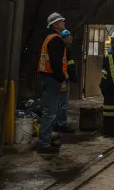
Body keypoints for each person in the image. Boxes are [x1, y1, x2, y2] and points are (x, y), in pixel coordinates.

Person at [37, 12, 69, 154]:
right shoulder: (56, 40)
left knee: (50, 111)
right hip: (52, 78)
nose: (63, 23)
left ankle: (46, 140)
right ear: (55, 25)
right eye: (61, 21)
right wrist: (62, 79)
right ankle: (43, 143)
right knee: (50, 112)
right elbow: (56, 63)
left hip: (48, 77)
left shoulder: (49, 38)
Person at [55, 30, 76, 134]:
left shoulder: (67, 49)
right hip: (62, 80)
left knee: (60, 103)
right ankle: (61, 125)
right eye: (68, 37)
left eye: (71, 36)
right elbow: (62, 67)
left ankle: (57, 124)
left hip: (63, 79)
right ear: (63, 38)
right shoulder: (63, 49)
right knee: (62, 103)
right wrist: (64, 80)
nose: (71, 38)